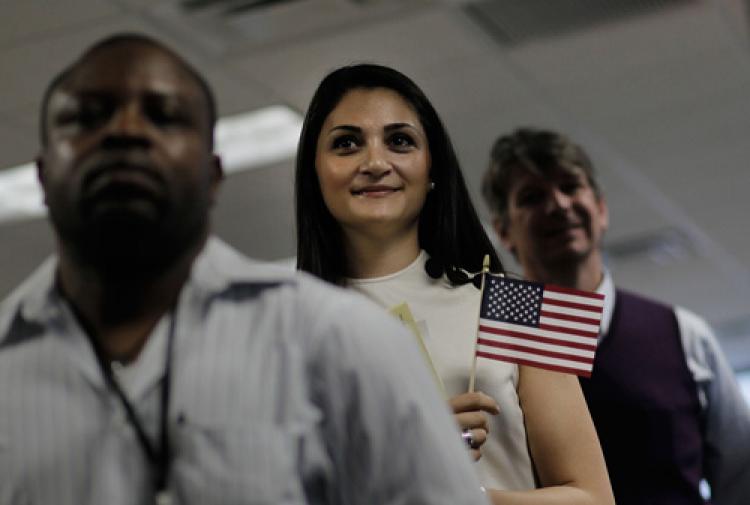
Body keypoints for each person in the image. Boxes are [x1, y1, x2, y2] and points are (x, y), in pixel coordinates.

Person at [0, 34, 493, 505]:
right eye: (88, 117)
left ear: (213, 175)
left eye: (163, 117)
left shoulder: (340, 340)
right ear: (42, 176)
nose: (125, 133)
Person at [295, 63, 615, 505]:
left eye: (399, 141)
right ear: (314, 172)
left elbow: (595, 498)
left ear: (432, 169)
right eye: (346, 143)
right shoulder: (278, 329)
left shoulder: (515, 301)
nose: (374, 162)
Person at [481, 127, 750, 505]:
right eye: (532, 197)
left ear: (601, 209)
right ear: (503, 231)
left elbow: (740, 477)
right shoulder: (490, 344)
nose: (558, 205)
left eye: (570, 186)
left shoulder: (682, 335)